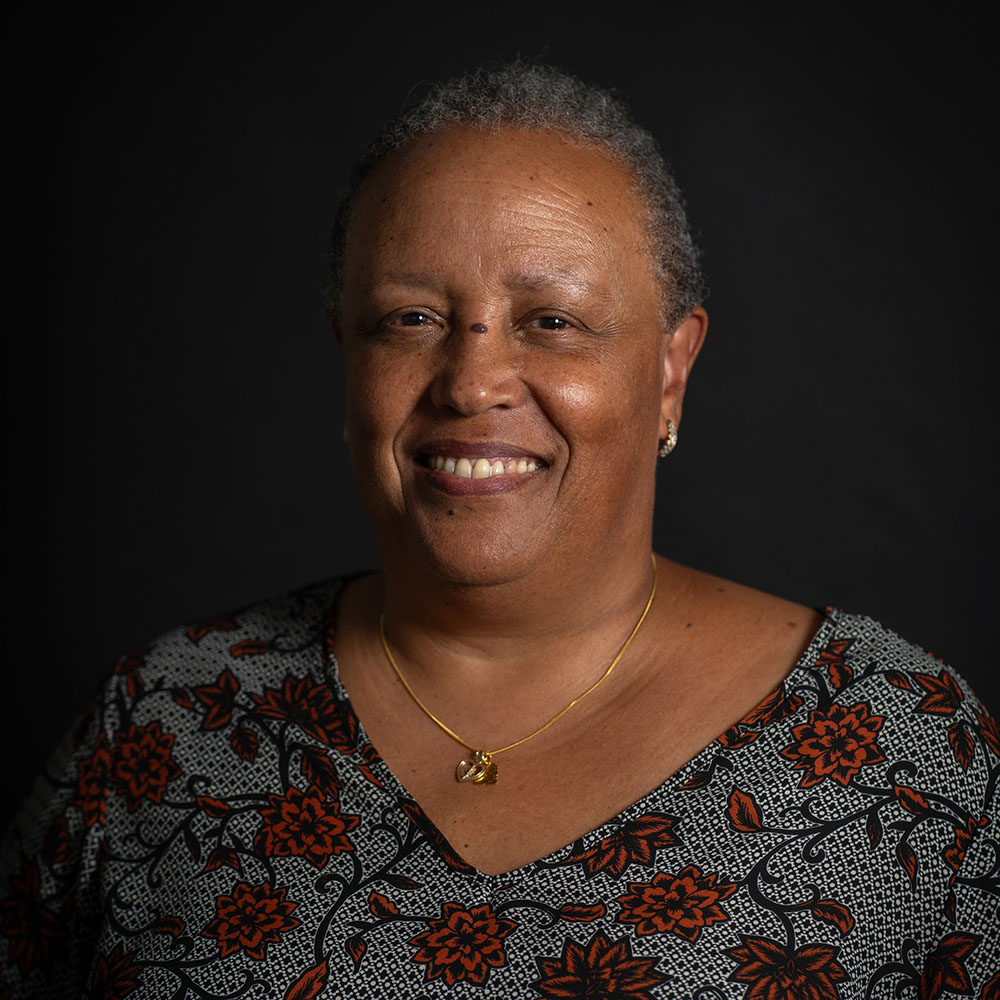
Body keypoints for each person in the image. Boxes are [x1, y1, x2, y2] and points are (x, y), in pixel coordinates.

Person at [1, 63, 997, 1000]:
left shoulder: (897, 751)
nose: (471, 382)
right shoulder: (161, 731)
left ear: (669, 370)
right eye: (409, 318)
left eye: (552, 320)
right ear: (346, 357)